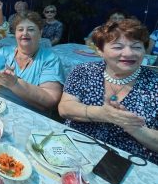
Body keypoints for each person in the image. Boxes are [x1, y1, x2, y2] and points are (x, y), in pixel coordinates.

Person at [58, 19, 158, 164]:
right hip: (75, 148)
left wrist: (133, 127)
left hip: (128, 163)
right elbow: (65, 108)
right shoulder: (84, 71)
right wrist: (103, 114)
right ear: (100, 50)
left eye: (136, 47)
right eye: (118, 47)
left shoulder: (154, 85)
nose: (128, 53)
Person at [0, 11, 65, 117]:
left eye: (31, 29)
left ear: (40, 33)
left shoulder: (50, 59)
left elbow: (51, 99)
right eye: (20, 29)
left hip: (27, 116)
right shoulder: (4, 52)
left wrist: (15, 84)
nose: (24, 33)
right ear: (15, 33)